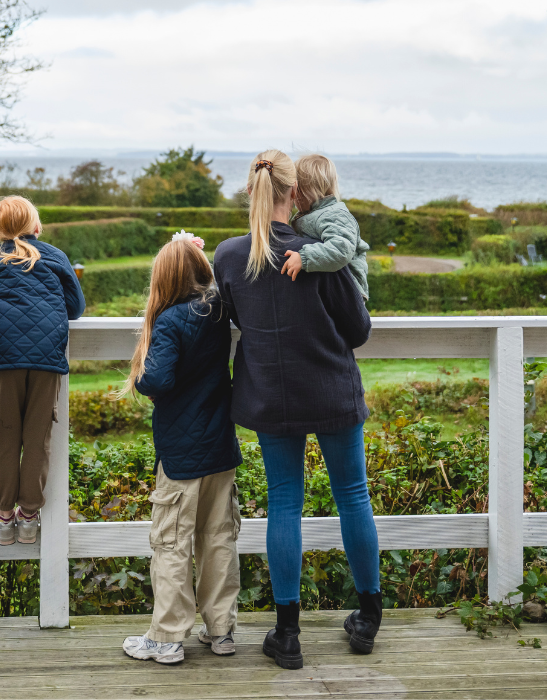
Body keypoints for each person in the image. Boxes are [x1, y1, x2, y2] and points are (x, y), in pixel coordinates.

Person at [212, 149, 382, 670]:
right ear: (297, 194)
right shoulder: (321, 251)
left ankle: (287, 635)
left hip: (270, 396)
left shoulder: (229, 256)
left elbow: (229, 318)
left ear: (251, 193)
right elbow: (358, 330)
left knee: (284, 502)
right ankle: (369, 617)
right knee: (352, 496)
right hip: (331, 389)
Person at [116, 234, 244, 666]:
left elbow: (157, 381)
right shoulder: (217, 312)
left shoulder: (169, 322)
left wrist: (142, 367)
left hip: (181, 454)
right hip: (219, 446)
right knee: (219, 539)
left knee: (172, 543)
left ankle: (168, 636)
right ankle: (221, 629)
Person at [0, 196, 84, 546]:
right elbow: (75, 308)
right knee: (37, 436)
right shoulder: (56, 257)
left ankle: (3, 516)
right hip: (46, 357)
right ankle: (29, 516)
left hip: (3, 357)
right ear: (35, 226)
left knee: (7, 432)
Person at [278, 153, 371, 299]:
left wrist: (304, 257)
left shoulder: (334, 214)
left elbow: (341, 249)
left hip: (348, 290)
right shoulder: (317, 213)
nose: (293, 196)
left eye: (296, 190)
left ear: (306, 191)